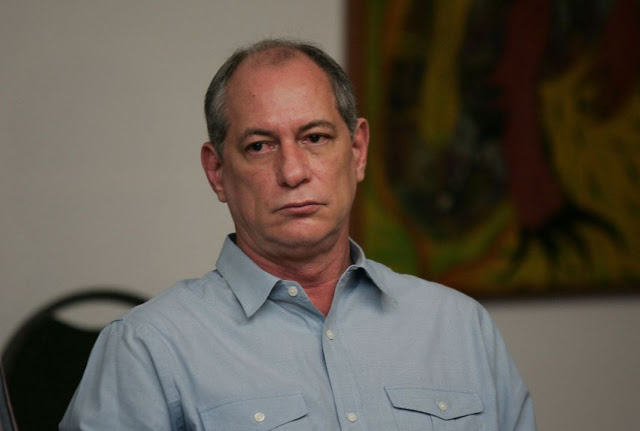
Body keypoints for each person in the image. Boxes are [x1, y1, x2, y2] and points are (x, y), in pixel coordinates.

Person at [60, 39, 536, 430]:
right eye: (259, 146)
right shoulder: (146, 349)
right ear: (217, 172)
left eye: (315, 138)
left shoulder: (460, 329)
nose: (292, 172)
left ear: (357, 151)